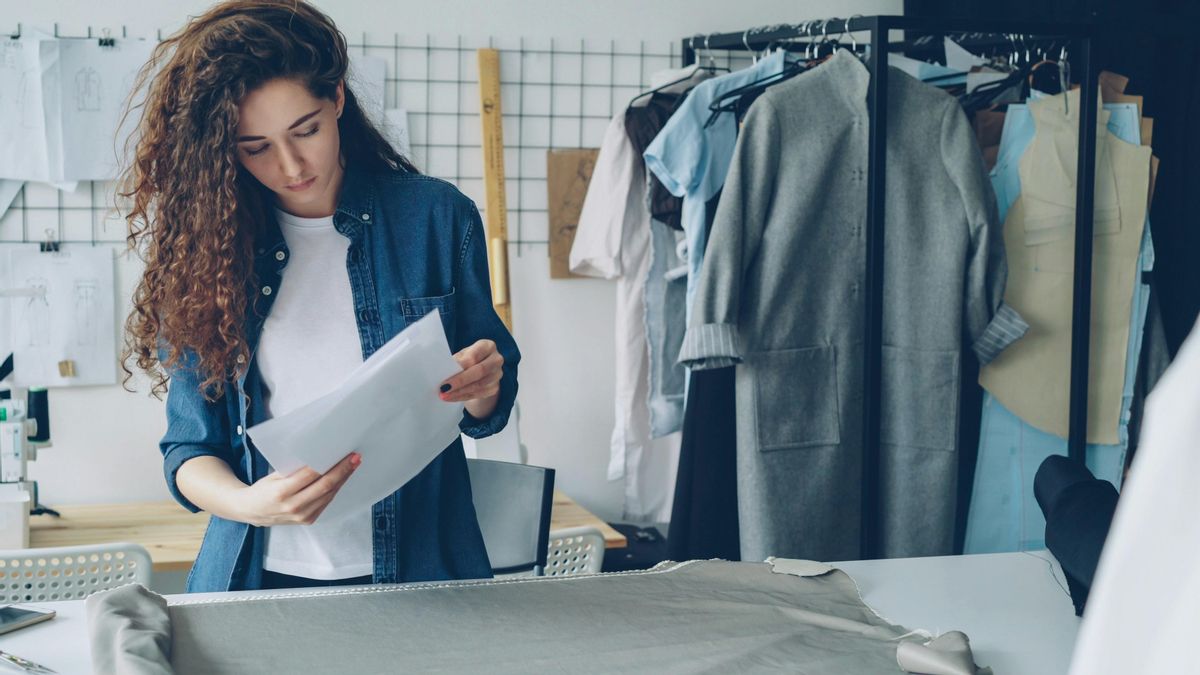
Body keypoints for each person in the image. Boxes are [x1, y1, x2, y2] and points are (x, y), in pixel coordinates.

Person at [118, 0, 519, 592]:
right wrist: (253, 504)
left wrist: (483, 386)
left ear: (335, 99)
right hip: (262, 579)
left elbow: (488, 405)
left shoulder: (435, 217)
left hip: (424, 574)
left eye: (305, 130)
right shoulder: (206, 254)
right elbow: (189, 450)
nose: (291, 165)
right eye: (255, 147)